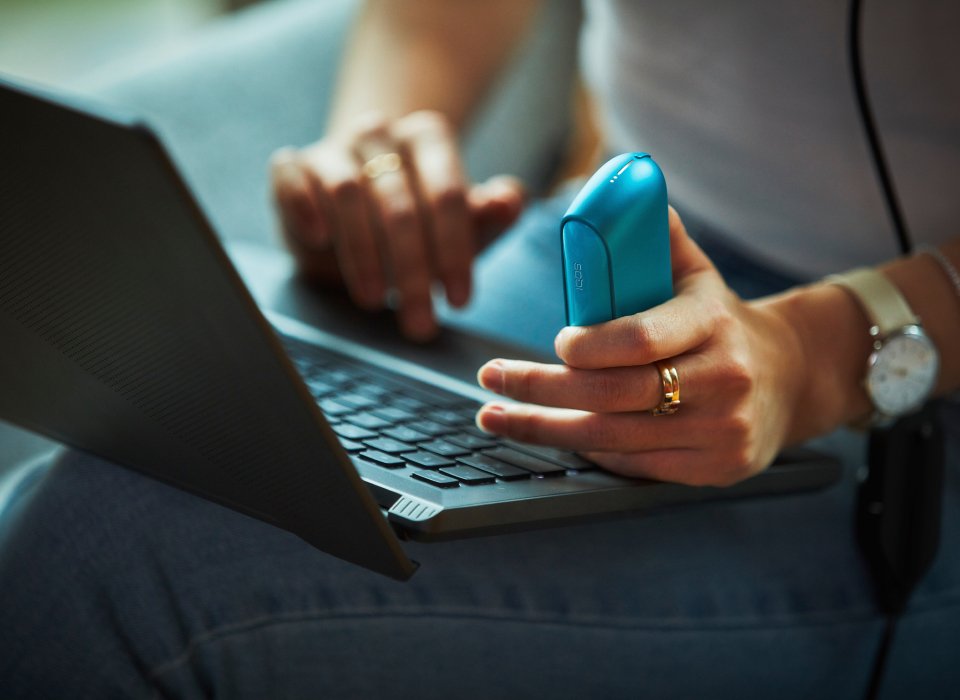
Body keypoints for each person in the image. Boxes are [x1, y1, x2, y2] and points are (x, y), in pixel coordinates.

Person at [1, 1, 958, 697]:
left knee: (107, 558)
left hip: (912, 365)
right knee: (144, 448)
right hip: (612, 258)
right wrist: (379, 144)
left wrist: (815, 357)